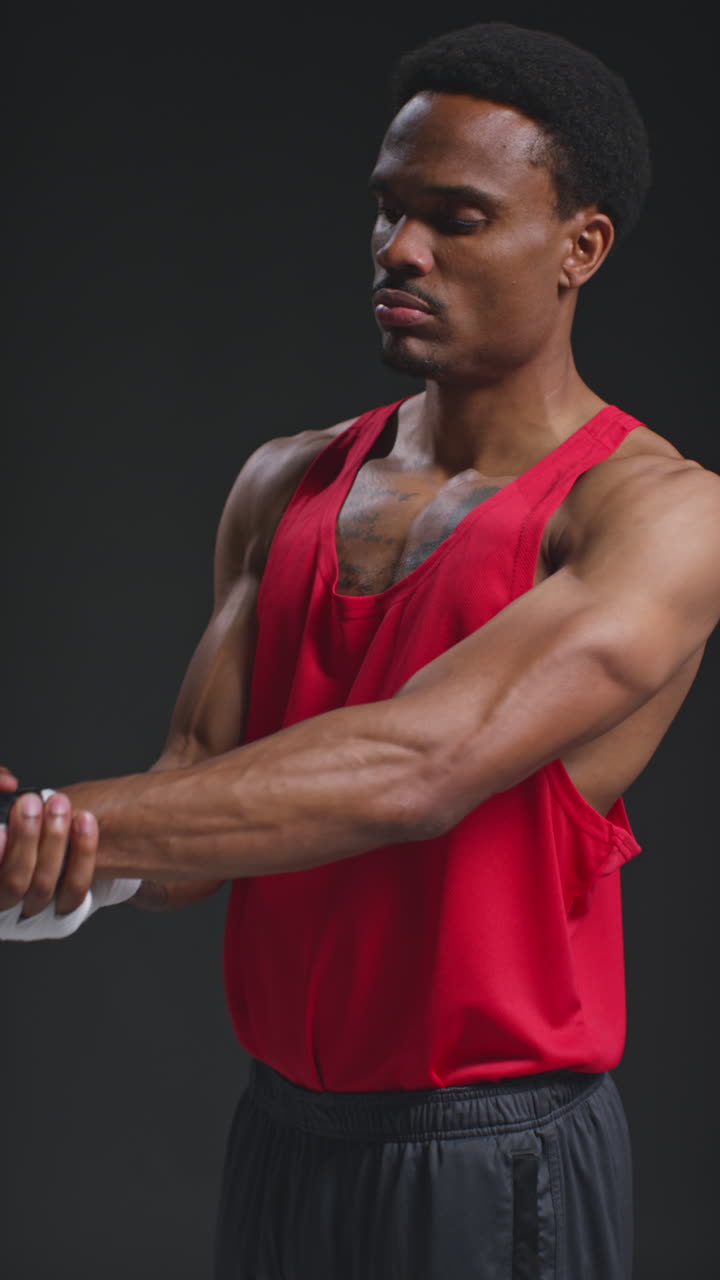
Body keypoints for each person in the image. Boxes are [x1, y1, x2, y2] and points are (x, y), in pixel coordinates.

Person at [1, 19, 719, 1279]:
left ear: (580, 247)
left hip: (489, 1154)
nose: (400, 248)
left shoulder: (658, 515)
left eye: (459, 216)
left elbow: (419, 766)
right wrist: (53, 859)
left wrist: (82, 820)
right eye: (387, 210)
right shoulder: (288, 480)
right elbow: (189, 812)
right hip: (281, 1128)